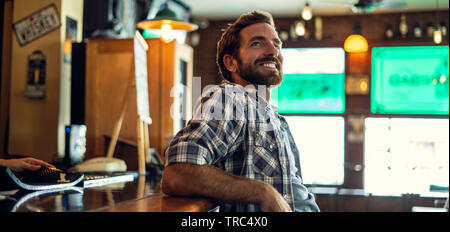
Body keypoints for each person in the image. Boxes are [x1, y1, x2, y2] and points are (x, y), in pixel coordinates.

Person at [161, 10, 320, 212]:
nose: (273, 51)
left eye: (276, 43)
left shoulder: (279, 120)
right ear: (231, 62)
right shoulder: (231, 98)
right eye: (257, 43)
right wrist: (264, 193)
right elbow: (178, 174)